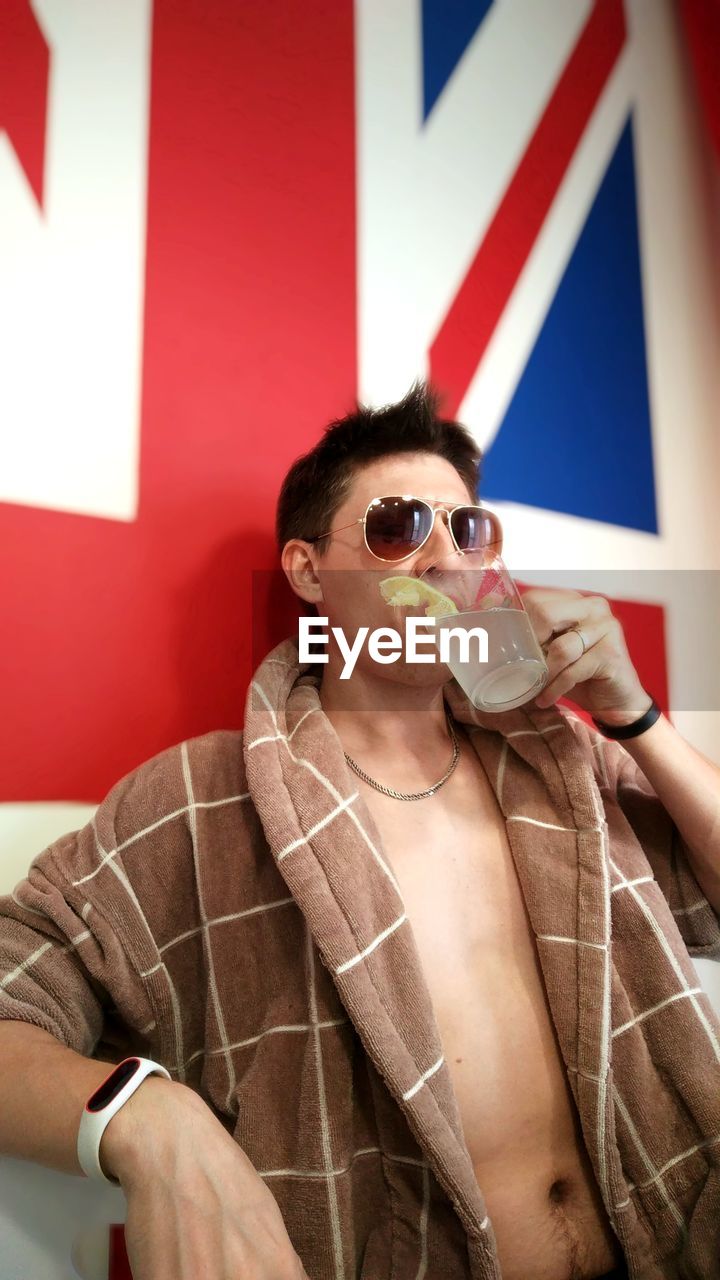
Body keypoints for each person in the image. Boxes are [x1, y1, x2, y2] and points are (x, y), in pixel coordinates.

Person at [1, 383, 719, 1280]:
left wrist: (634, 716)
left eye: (467, 532)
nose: (442, 559)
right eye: (394, 527)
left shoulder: (567, 763)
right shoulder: (197, 800)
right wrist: (148, 1122)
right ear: (306, 572)